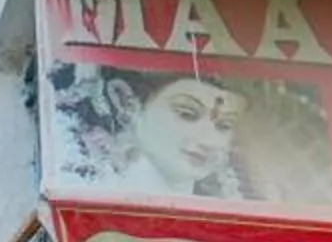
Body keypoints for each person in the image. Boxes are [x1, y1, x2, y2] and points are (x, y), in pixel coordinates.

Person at [53, 63, 254, 199]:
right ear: (126, 102)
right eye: (187, 114)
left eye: (224, 125)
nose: (208, 140)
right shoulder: (91, 190)